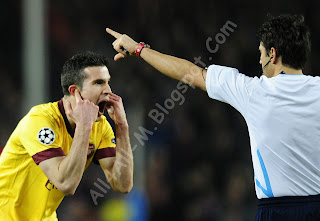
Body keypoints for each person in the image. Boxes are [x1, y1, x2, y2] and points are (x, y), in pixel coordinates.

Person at [106, 14, 320, 220]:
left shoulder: (252, 91)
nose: (260, 59)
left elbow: (187, 72)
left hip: (277, 212)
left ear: (272, 54)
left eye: (261, 53)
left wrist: (138, 48)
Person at [0, 51, 133, 220]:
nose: (108, 90)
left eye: (108, 82)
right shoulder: (40, 121)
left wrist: (122, 126)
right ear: (75, 91)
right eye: (99, 83)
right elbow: (66, 184)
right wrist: (84, 126)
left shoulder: (100, 127)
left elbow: (122, 184)